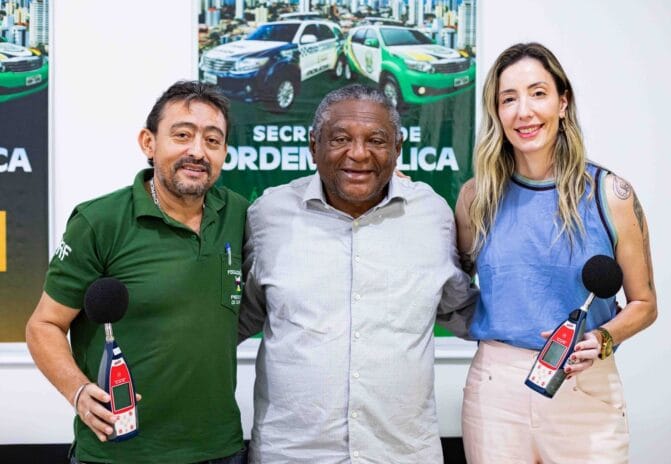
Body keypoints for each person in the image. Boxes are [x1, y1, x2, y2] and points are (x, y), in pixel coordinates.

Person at [238, 84, 479, 463]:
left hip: (402, 454)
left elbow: (462, 311)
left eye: (376, 140)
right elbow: (233, 318)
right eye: (340, 139)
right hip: (293, 453)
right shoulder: (268, 216)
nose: (359, 153)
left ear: (397, 148)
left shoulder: (432, 216)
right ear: (313, 146)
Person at [25, 81, 249, 464]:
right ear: (149, 142)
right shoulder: (99, 221)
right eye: (182, 135)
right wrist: (78, 392)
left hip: (221, 450)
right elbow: (43, 325)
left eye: (213, 140)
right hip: (119, 452)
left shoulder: (241, 215)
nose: (198, 151)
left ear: (224, 153)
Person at [455, 42, 658, 463]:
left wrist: (602, 339)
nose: (524, 112)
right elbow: (454, 287)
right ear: (496, 112)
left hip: (584, 387)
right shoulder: (477, 198)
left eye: (538, 93)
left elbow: (644, 303)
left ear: (563, 102)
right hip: (495, 394)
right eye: (508, 99)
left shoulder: (611, 194)